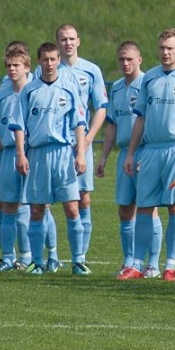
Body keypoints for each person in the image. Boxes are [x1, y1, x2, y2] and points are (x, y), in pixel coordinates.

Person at [119, 29, 175, 280]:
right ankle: (137, 265)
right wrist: (130, 153)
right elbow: (140, 118)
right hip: (150, 150)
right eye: (162, 47)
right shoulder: (149, 77)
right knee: (144, 207)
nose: (165, 52)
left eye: (170, 47)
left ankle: (170, 265)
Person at [16, 42, 87, 275]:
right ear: (38, 61)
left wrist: (81, 153)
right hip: (37, 154)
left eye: (53, 59)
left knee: (72, 208)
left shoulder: (69, 87)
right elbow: (19, 126)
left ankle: (78, 261)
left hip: (64, 153)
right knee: (37, 210)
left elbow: (79, 123)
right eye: (45, 59)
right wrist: (21, 154)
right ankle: (37, 262)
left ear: (59, 61)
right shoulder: (29, 90)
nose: (49, 64)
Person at [55, 24, 109, 275]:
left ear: (79, 41)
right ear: (58, 43)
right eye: (63, 39)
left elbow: (100, 108)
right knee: (49, 202)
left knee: (83, 198)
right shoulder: (48, 68)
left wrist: (87, 139)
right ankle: (52, 255)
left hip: (81, 143)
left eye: (71, 39)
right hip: (55, 144)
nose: (68, 43)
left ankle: (81, 257)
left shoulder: (91, 70)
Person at [97, 41, 146, 277]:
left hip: (144, 152)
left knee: (148, 209)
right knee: (125, 209)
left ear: (140, 60)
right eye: (121, 60)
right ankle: (128, 260)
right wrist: (104, 158)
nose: (125, 63)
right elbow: (112, 126)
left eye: (130, 59)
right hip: (124, 154)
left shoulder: (147, 83)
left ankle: (152, 264)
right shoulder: (116, 88)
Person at [0, 42, 32, 271]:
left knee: (22, 206)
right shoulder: (3, 94)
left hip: (25, 156)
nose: (12, 69)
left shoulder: (34, 92)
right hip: (3, 157)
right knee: (1, 205)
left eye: (17, 65)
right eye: (9, 66)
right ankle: (7, 256)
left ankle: (26, 256)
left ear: (27, 68)